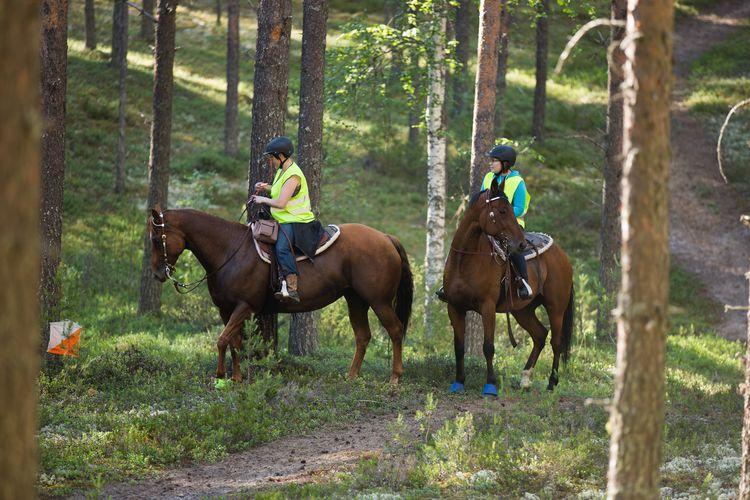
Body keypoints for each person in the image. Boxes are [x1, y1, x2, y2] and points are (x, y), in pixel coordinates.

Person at [436, 144, 532, 303]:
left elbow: (521, 208)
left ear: (505, 163)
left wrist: (501, 216)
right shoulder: (489, 177)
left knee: (512, 248)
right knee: (461, 242)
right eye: (491, 161)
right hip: (487, 223)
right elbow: (480, 200)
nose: (491, 164)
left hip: (510, 225)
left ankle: (523, 282)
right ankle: (448, 282)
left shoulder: (517, 181)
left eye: (495, 161)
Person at [251, 136, 323, 303]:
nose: (271, 161)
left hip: (297, 220)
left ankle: (292, 288)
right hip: (283, 218)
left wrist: (262, 199)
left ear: (280, 156)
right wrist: (266, 188)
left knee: (282, 248)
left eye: (271, 157)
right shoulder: (282, 171)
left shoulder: (293, 175)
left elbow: (281, 202)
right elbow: (279, 191)